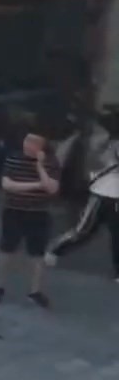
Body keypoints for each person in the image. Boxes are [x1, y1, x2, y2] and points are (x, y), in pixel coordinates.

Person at [0, 129, 58, 307]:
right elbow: (8, 185)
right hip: (14, 210)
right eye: (27, 141)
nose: (28, 145)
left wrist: (40, 166)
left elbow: (52, 188)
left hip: (39, 212)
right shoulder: (13, 158)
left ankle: (35, 291)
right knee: (7, 248)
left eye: (34, 143)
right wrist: (38, 185)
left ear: (42, 147)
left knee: (37, 253)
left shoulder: (51, 162)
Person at [46, 116, 119, 281]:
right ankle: (55, 250)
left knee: (117, 236)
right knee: (83, 231)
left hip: (114, 197)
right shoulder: (109, 146)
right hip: (101, 195)